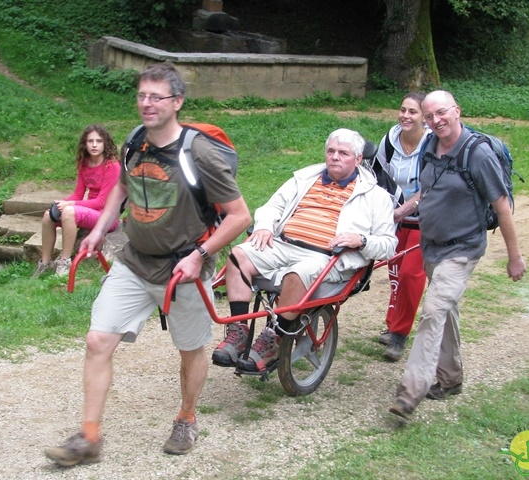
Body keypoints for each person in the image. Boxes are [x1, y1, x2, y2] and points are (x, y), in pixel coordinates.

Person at [44, 63, 251, 464]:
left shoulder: (200, 152)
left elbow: (240, 215)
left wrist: (199, 257)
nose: (146, 103)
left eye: (156, 97)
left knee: (190, 349)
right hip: (134, 263)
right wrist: (101, 229)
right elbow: (121, 187)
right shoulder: (135, 141)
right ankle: (88, 438)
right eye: (142, 95)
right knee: (97, 340)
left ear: (177, 102)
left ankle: (188, 418)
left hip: (183, 269)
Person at [211, 128, 398, 372]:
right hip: (284, 244)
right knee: (238, 255)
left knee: (299, 272)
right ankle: (238, 331)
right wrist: (266, 226)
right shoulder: (304, 179)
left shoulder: (376, 196)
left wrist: (361, 239)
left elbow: (388, 245)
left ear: (359, 159)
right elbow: (272, 207)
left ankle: (272, 339)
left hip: (327, 256)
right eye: (331, 151)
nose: (335, 157)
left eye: (343, 153)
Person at [389, 90, 526, 420]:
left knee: (433, 311)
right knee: (445, 311)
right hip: (431, 246)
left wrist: (514, 256)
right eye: (430, 115)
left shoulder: (477, 154)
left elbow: (502, 208)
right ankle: (450, 379)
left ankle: (410, 392)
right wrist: (403, 210)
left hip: (462, 249)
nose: (436, 121)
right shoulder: (430, 146)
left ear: (457, 111)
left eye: (442, 113)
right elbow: (428, 189)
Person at [374, 92, 431, 361]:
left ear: (424, 117)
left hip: (426, 221)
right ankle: (392, 324)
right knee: (395, 274)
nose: (405, 116)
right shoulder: (390, 140)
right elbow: (376, 175)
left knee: (411, 274)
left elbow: (432, 187)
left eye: (413, 112)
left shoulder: (433, 144)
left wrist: (402, 210)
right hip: (394, 218)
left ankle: (399, 335)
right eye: (403, 110)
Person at [32, 124, 120, 277]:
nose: (94, 145)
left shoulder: (112, 166)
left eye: (98, 141)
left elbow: (101, 202)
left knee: (69, 212)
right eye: (90, 141)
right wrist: (61, 202)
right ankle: (45, 263)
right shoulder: (84, 163)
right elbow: (78, 194)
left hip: (107, 217)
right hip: (88, 211)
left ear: (105, 143)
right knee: (48, 216)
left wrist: (69, 205)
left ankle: (65, 262)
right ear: (84, 144)